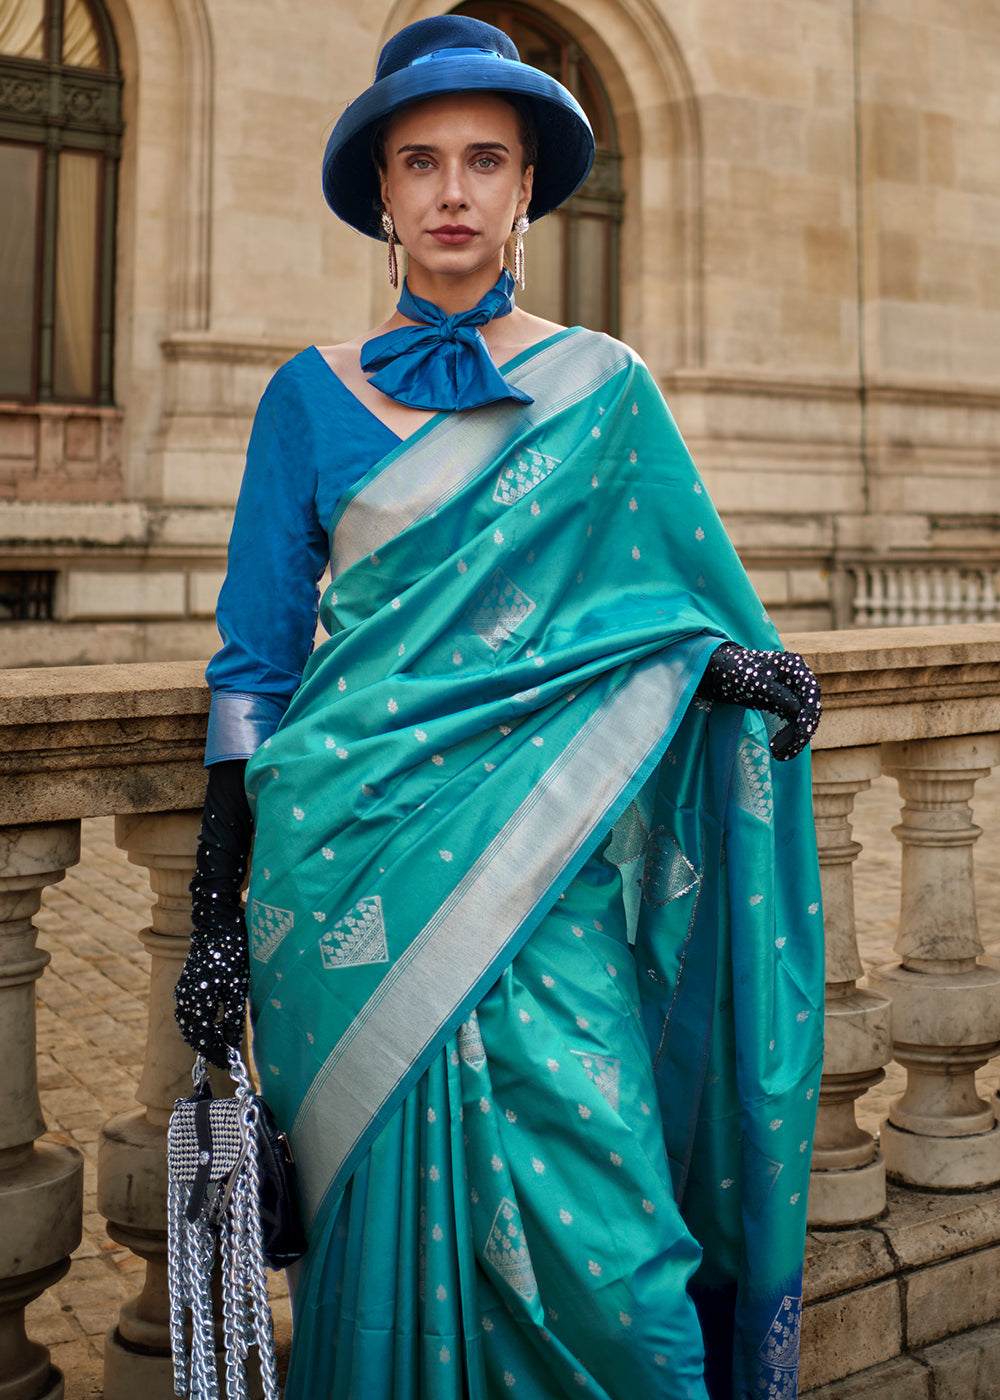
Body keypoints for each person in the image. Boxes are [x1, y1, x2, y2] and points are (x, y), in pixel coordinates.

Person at [175, 16, 824, 1400]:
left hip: (547, 880)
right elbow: (253, 669)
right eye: (423, 163)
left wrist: (729, 670)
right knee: (381, 1258)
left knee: (626, 1273)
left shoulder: (605, 391)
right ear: (385, 193)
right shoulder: (305, 398)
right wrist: (212, 915)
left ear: (529, 188)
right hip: (342, 876)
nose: (454, 192)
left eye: (486, 160)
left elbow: (645, 611)